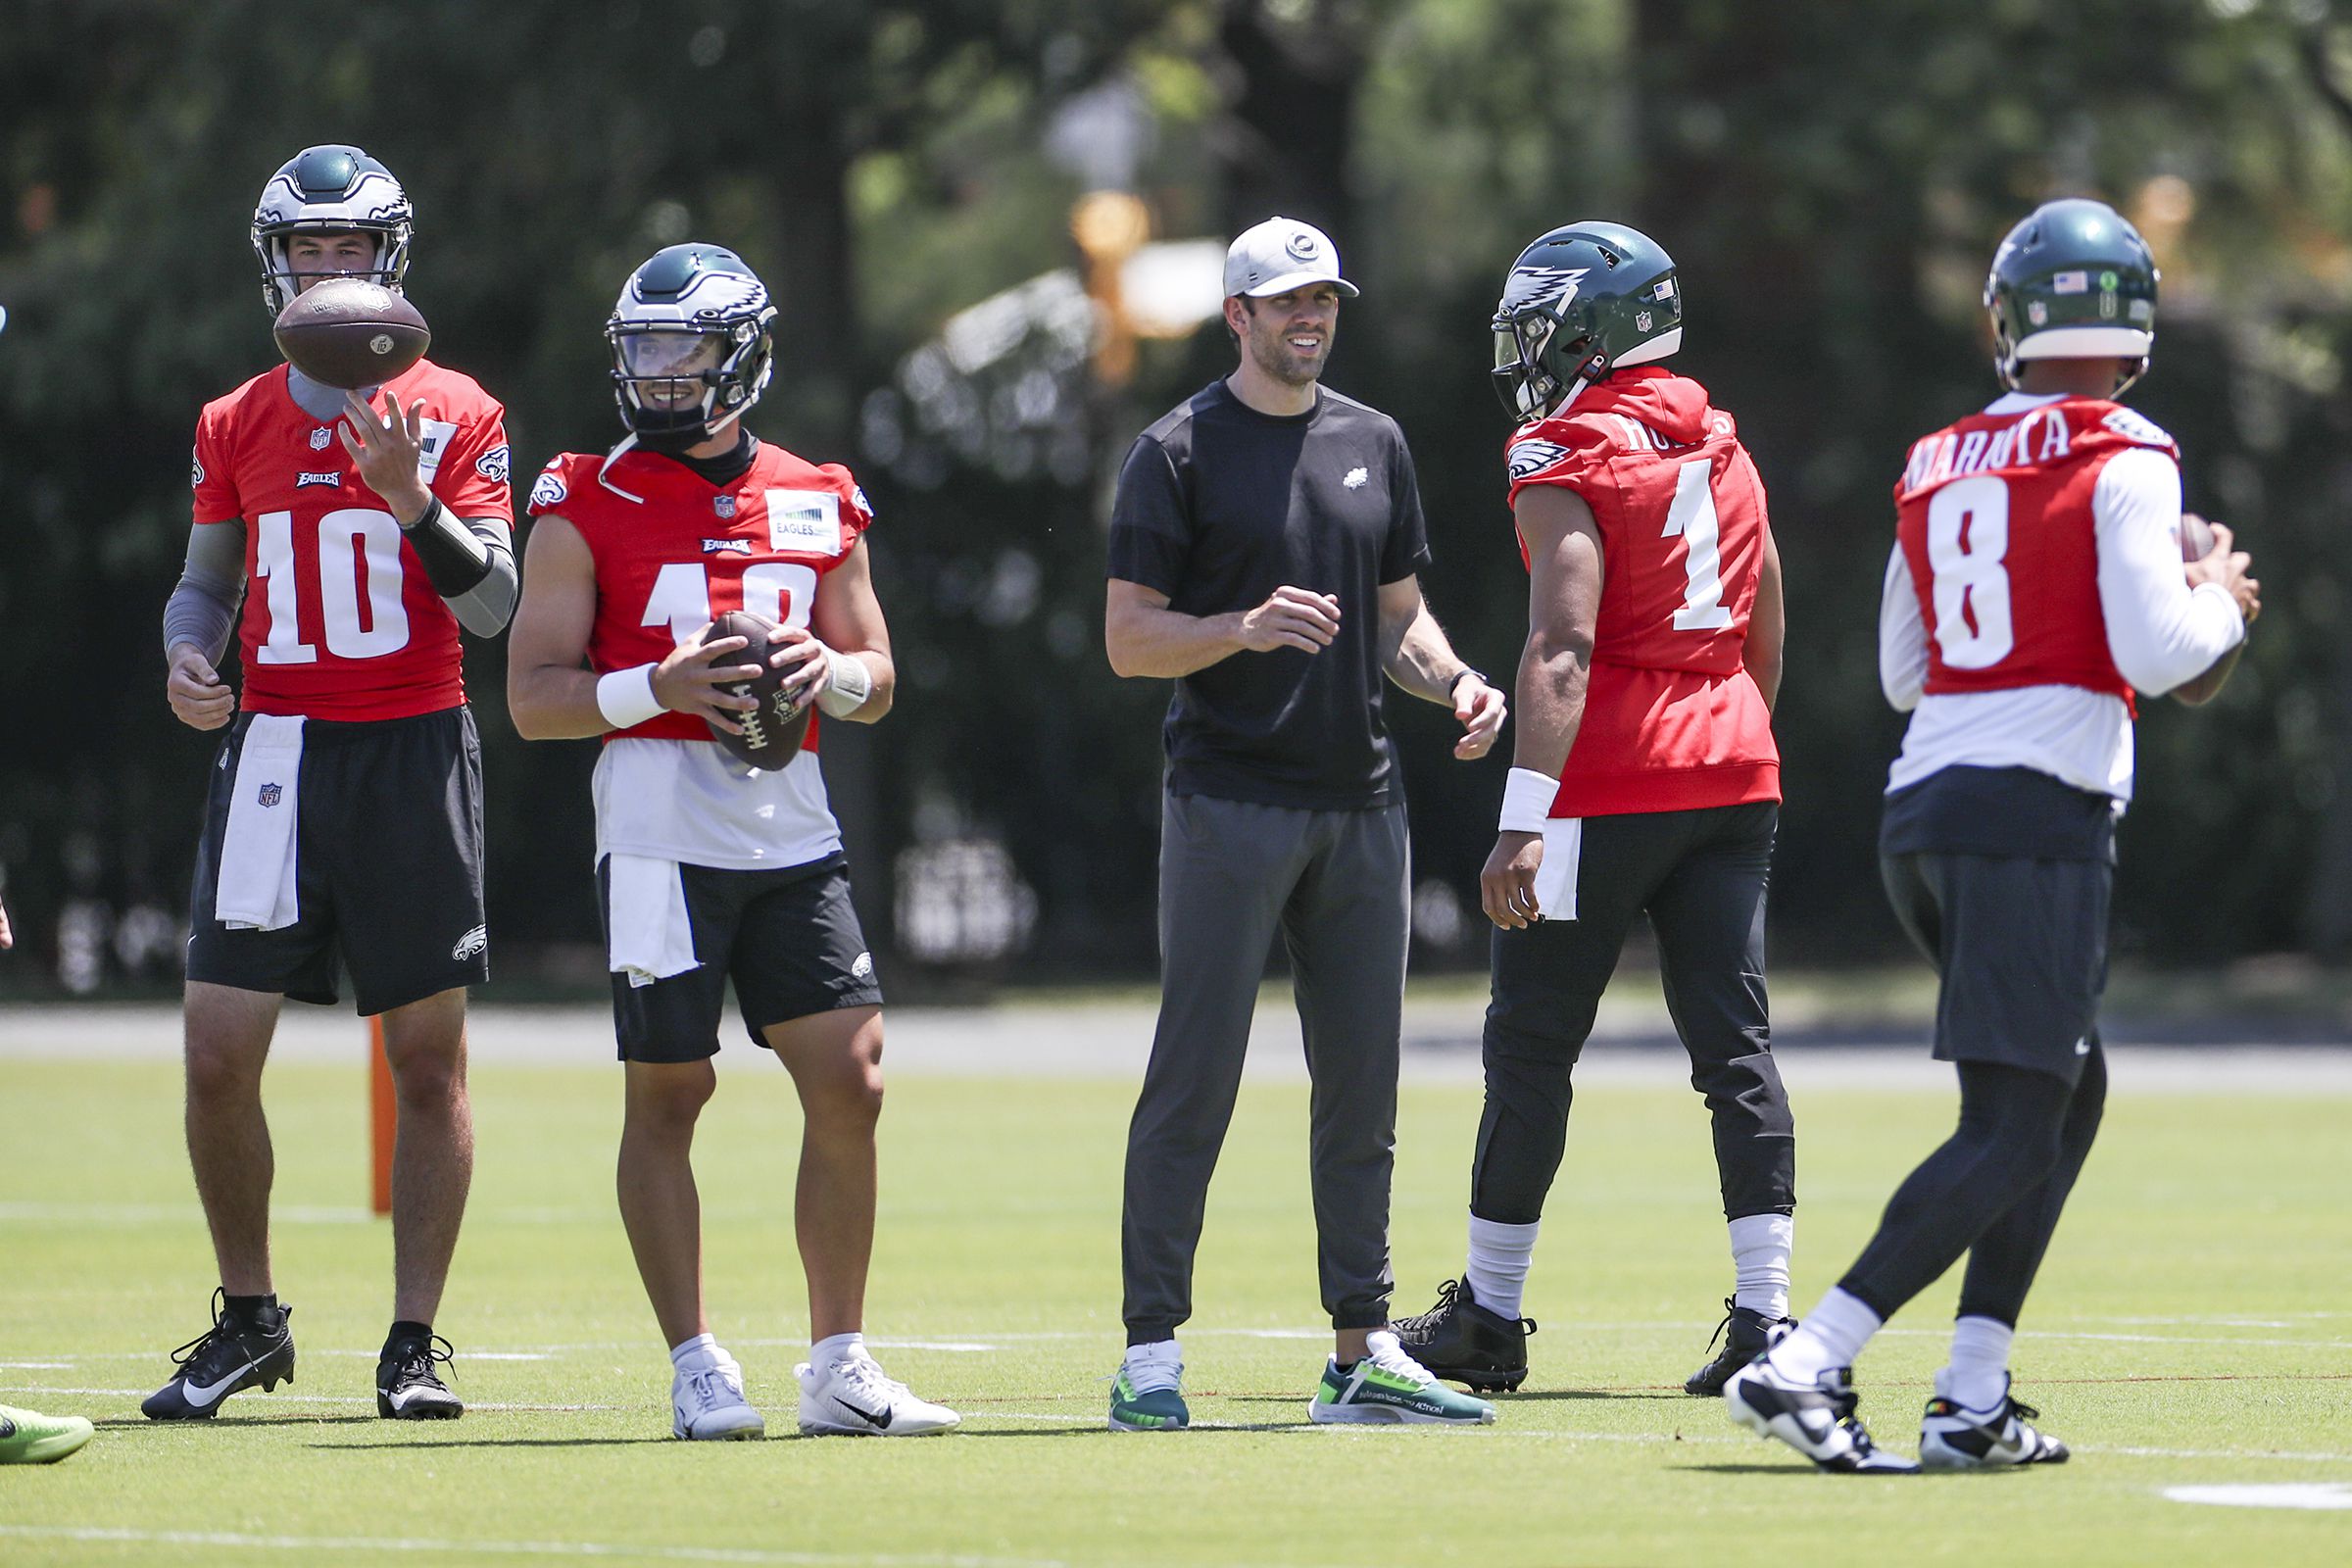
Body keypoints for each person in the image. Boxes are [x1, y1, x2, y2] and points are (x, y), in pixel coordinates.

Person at [1726, 198, 2258, 1474]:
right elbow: (2155, 653)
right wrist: (2221, 602)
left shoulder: (1937, 456)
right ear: (2133, 321)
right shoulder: (2130, 451)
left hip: (1928, 817)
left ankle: (1972, 1397)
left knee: (2060, 1098)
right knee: (2019, 1122)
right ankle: (1808, 1362)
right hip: (2032, 818)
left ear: (2011, 320)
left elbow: (1908, 669)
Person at [507, 242, 957, 1442]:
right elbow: (534, 698)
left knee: (852, 1080)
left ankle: (839, 1366)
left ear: (742, 352)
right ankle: (696, 1361)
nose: (658, 375)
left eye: (682, 349)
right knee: (671, 1094)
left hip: (789, 832)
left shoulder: (818, 493)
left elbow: (879, 675)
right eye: (643, 350)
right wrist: (655, 681)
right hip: (658, 838)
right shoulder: (578, 495)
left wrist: (834, 670)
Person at [1102, 216, 1508, 1431]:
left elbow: (1400, 620)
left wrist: (1461, 681)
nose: (1309, 319)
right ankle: (1151, 1357)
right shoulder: (1173, 451)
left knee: (1363, 1090)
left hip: (1362, 810)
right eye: (1285, 302)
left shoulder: (1372, 441)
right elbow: (1130, 639)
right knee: (1195, 1078)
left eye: (1323, 299)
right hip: (1227, 802)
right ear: (1237, 316)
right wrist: (1237, 625)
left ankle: (1360, 1349)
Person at [1394, 221, 1796, 1399]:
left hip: (1606, 783)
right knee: (1737, 1050)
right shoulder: (1724, 439)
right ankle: (1766, 1319)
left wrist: (1523, 816)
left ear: (1596, 326)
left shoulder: (1560, 446)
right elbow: (1765, 620)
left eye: (1545, 322)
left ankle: (1492, 1316)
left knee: (1530, 1045)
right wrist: (1732, 743)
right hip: (1732, 772)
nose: (1528, 346)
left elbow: (1562, 648)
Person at [149, 144, 514, 1422]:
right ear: (277, 265)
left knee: (424, 1061)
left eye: (349, 250)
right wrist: (191, 655)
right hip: (277, 753)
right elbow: (203, 583)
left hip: (409, 747)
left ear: (387, 260)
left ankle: (413, 1343)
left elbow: (496, 609)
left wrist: (412, 501)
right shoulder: (234, 419)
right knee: (213, 1052)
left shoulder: (457, 410)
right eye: (309, 252)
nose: (329, 271)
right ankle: (251, 1317)